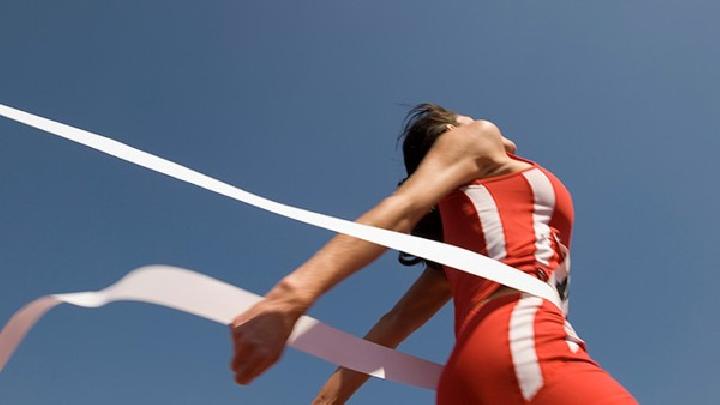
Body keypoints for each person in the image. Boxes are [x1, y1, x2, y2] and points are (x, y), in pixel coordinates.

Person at [229, 104, 637, 404]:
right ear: (450, 132)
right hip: (523, 344)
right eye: (462, 116)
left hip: (471, 376)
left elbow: (393, 326)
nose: (477, 118)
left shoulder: (464, 251)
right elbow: (404, 208)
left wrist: (326, 401)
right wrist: (292, 295)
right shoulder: (479, 136)